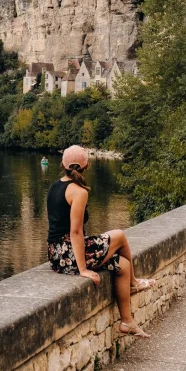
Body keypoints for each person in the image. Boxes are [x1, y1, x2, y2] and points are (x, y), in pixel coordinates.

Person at [47, 145, 154, 338]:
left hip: (56, 254)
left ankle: (127, 322)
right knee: (120, 235)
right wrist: (83, 270)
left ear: (63, 165)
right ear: (86, 166)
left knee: (122, 264)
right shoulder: (78, 191)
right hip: (69, 254)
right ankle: (134, 283)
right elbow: (76, 232)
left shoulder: (55, 186)